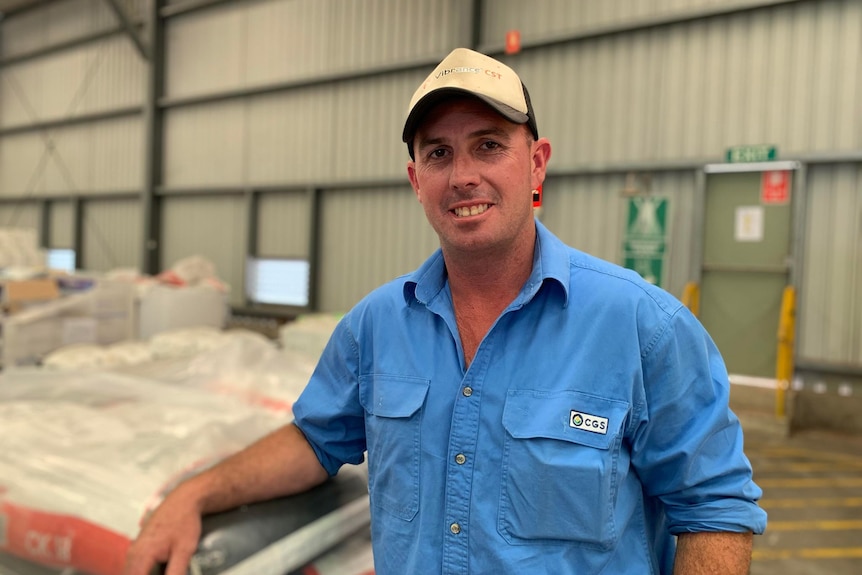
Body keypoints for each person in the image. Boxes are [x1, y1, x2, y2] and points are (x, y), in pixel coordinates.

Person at [124, 47, 767, 575]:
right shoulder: (378, 326)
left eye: (489, 146)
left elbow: (714, 509)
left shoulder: (642, 327)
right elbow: (314, 440)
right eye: (439, 153)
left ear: (536, 164)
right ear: (415, 180)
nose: (462, 175)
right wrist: (192, 494)